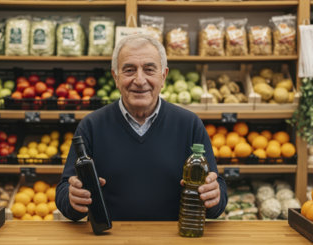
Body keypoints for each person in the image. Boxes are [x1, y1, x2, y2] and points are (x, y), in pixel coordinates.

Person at [56, 34, 227, 221]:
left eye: (149, 70)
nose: (139, 80)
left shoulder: (189, 124)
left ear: (163, 76)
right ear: (115, 77)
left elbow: (217, 196)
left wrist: (213, 196)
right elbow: (64, 191)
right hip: (110, 239)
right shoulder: (91, 125)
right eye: (129, 70)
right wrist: (73, 199)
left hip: (173, 240)